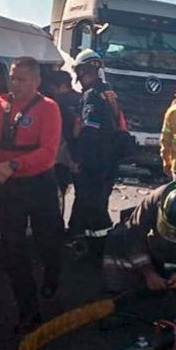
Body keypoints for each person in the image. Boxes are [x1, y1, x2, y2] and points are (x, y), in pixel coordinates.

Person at [0, 57, 64, 329]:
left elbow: (48, 154)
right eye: (13, 78)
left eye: (22, 79)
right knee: (12, 250)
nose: (15, 84)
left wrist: (13, 165)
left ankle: (53, 273)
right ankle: (28, 310)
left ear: (37, 81)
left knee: (48, 240)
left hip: (39, 184)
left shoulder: (49, 108)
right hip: (9, 188)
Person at [102, 181, 176, 319]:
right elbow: (134, 235)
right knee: (117, 238)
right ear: (161, 209)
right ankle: (124, 288)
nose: (174, 236)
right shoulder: (153, 200)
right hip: (157, 250)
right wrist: (148, 272)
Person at [67, 50, 123, 242]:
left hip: (93, 162)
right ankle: (77, 238)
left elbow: (89, 133)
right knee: (90, 203)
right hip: (109, 159)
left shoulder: (91, 95)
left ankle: (101, 246)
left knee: (93, 205)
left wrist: (77, 161)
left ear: (83, 71)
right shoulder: (109, 93)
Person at [45, 70, 81, 202]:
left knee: (55, 192)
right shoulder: (82, 98)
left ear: (61, 86)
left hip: (60, 154)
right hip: (76, 154)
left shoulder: (56, 103)